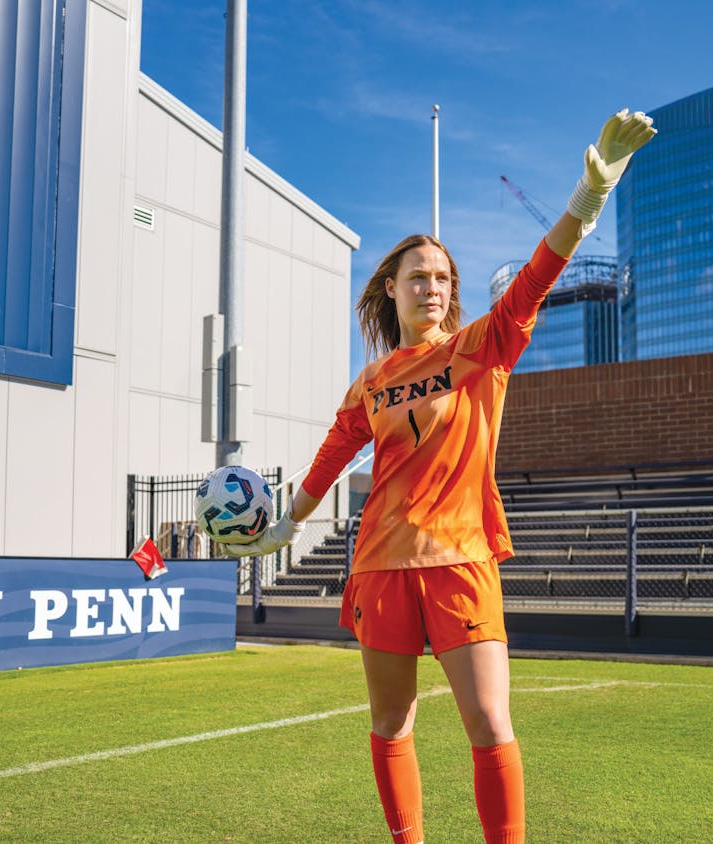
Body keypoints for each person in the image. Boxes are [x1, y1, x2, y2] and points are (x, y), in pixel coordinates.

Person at [221, 109, 656, 844]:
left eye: (443, 278)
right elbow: (332, 456)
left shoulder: (483, 348)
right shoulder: (371, 381)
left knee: (489, 722)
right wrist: (288, 524)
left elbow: (535, 278)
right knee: (391, 722)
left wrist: (590, 195)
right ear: (388, 288)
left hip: (461, 560)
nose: (432, 286)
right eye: (418, 276)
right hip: (382, 566)